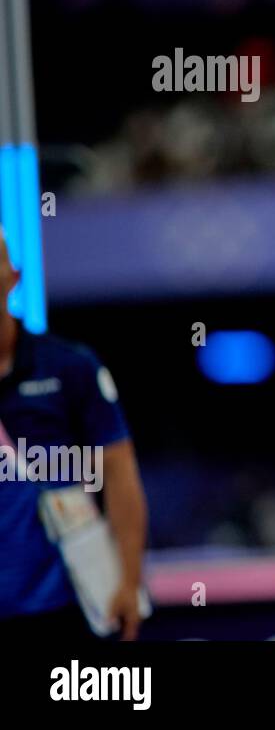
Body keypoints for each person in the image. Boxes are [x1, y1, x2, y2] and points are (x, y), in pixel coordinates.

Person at [0, 227, 149, 640]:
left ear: (13, 275)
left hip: (65, 603)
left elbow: (119, 472)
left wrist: (129, 580)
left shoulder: (69, 367)